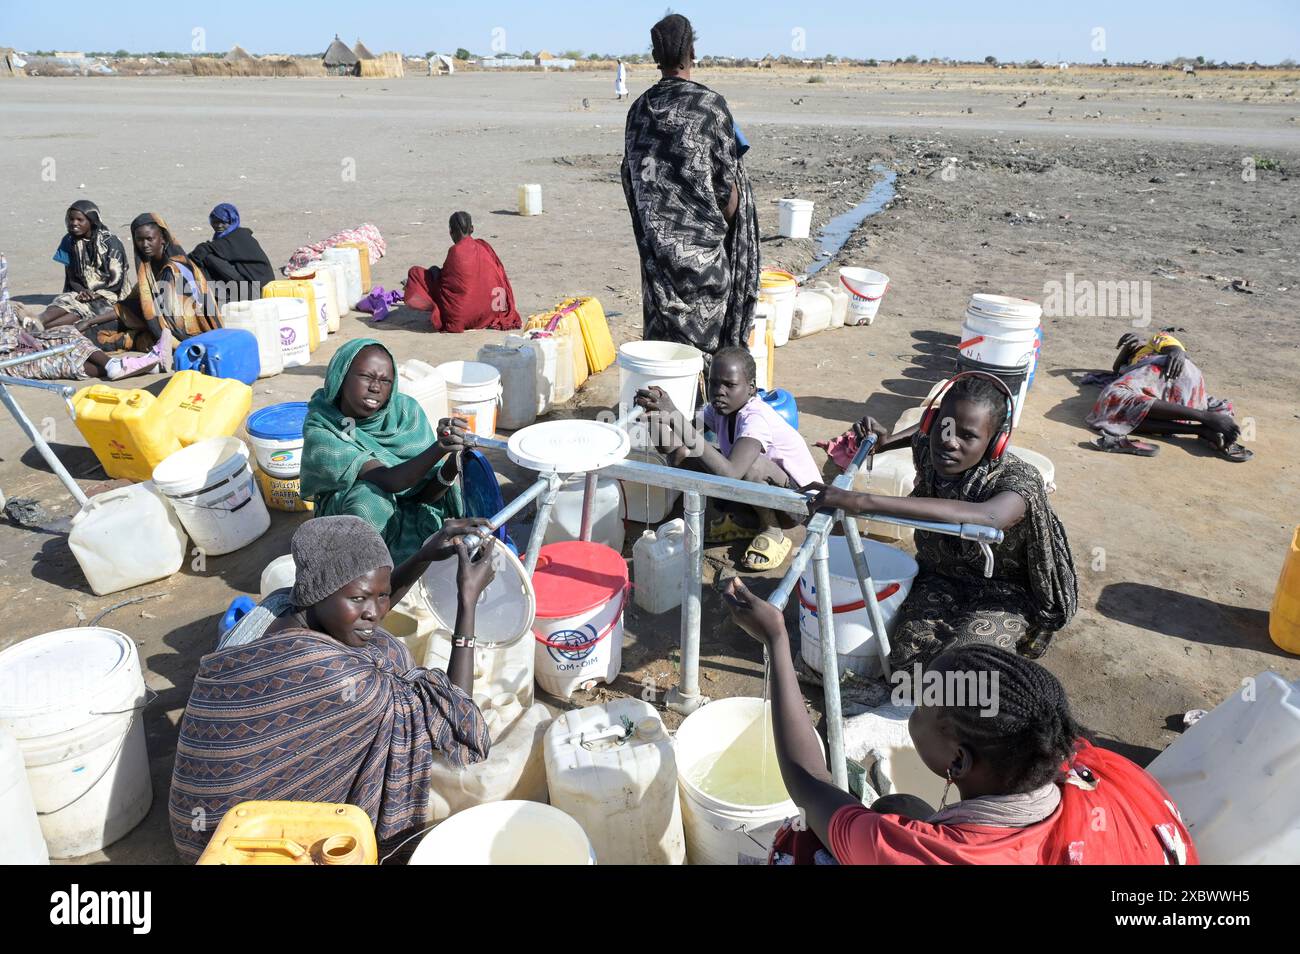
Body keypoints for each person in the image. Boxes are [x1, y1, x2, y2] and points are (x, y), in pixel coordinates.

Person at [723, 582, 1199, 865]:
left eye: (922, 707)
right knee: (898, 805)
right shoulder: (1103, 768)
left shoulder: (949, 857)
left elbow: (810, 785)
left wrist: (777, 641)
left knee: (806, 842)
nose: (912, 703)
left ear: (957, 760)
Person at [169, 515, 494, 863]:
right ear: (318, 593)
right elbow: (457, 717)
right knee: (393, 669)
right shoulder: (337, 677)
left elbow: (358, 604)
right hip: (242, 845)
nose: (375, 612)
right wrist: (467, 601)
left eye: (383, 596)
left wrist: (421, 557)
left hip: (196, 820)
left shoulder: (277, 607)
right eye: (359, 598)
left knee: (383, 648)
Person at [811, 372, 1077, 664]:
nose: (949, 441)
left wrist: (860, 500)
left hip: (1005, 591)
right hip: (941, 577)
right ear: (931, 422)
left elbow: (988, 516)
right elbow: (923, 433)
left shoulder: (1019, 481)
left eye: (968, 436)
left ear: (994, 443)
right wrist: (886, 441)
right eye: (943, 426)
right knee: (906, 656)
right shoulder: (931, 444)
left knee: (964, 664)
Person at [621, 13, 760, 359]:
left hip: (657, 263)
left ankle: (663, 411)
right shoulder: (710, 107)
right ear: (693, 52)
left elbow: (633, 180)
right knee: (706, 359)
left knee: (663, 359)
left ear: (655, 58)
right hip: (705, 263)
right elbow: (727, 190)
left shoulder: (638, 111)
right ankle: (706, 413)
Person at [635, 346, 818, 570]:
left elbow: (731, 474)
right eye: (714, 383)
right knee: (688, 457)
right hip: (764, 492)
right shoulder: (717, 409)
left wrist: (675, 415)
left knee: (751, 467)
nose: (719, 391)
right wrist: (654, 416)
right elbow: (674, 448)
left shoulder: (756, 418)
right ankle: (743, 522)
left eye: (730, 385)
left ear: (751, 388)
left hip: (797, 504)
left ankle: (772, 530)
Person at [300, 338, 469, 565]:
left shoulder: (405, 412)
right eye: (366, 377)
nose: (376, 387)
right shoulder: (322, 427)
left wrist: (450, 463)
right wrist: (438, 449)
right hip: (350, 516)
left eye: (385, 381)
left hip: (408, 507)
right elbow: (388, 480)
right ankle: (358, 572)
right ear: (340, 377)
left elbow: (425, 495)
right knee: (369, 498)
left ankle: (403, 560)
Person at [1086, 330, 1251, 462]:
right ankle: (1201, 429)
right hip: (1185, 388)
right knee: (1125, 417)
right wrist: (1128, 346)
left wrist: (1145, 341)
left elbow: (1170, 344)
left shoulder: (1154, 343)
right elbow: (1116, 368)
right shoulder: (1131, 363)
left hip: (1170, 371)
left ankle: (1204, 418)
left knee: (1112, 398)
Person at [1, 253, 160, 380]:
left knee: (66, 332)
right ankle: (131, 366)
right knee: (60, 361)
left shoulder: (109, 243)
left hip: (102, 297)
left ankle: (115, 365)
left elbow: (115, 284)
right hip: (7, 355)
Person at [96, 213, 221, 357]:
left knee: (116, 338)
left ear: (162, 239)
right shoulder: (149, 266)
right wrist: (91, 321)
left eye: (150, 239)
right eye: (139, 240)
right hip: (157, 322)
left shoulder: (174, 269)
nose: (144, 245)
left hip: (186, 332)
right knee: (100, 330)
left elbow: (170, 317)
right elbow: (138, 301)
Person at [402, 212, 521, 333]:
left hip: (462, 318)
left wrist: (434, 273)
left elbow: (447, 285)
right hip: (492, 311)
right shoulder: (483, 246)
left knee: (415, 273)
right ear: (472, 229)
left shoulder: (455, 251)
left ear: (451, 232)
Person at [38, 200, 129, 331]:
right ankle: (37, 320)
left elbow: (117, 282)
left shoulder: (111, 243)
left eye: (80, 220)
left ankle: (39, 327)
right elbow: (71, 277)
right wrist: (82, 291)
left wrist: (95, 295)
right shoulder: (68, 240)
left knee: (80, 310)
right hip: (80, 290)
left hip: (110, 294)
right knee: (63, 302)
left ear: (92, 221)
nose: (74, 223)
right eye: (71, 219)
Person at [188, 203, 276, 303]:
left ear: (232, 221)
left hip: (256, 292)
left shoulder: (238, 238)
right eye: (215, 222)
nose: (219, 226)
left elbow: (202, 251)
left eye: (223, 222)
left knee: (208, 257)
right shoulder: (228, 238)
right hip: (251, 286)